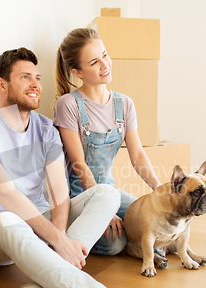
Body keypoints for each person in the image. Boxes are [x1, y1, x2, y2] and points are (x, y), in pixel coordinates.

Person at [0, 47, 168, 288]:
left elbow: (59, 192)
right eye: (25, 77)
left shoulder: (46, 128)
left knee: (107, 193)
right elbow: (5, 194)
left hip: (38, 218)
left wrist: (59, 237)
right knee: (10, 220)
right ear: (2, 84)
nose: (36, 85)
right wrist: (59, 239)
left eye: (38, 77)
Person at [54, 28, 162, 257]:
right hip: (80, 196)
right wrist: (102, 210)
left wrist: (159, 189)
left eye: (105, 54)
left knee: (150, 219)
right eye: (94, 62)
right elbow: (79, 164)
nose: (105, 64)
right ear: (78, 71)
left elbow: (138, 155)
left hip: (110, 190)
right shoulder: (68, 105)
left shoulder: (125, 103)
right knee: (115, 245)